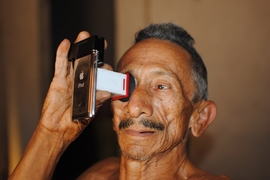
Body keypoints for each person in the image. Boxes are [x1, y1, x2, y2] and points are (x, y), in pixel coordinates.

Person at [9, 23, 231, 180]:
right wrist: (52, 133)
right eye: (128, 84)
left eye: (161, 86)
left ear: (200, 117)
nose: (134, 107)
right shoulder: (99, 174)